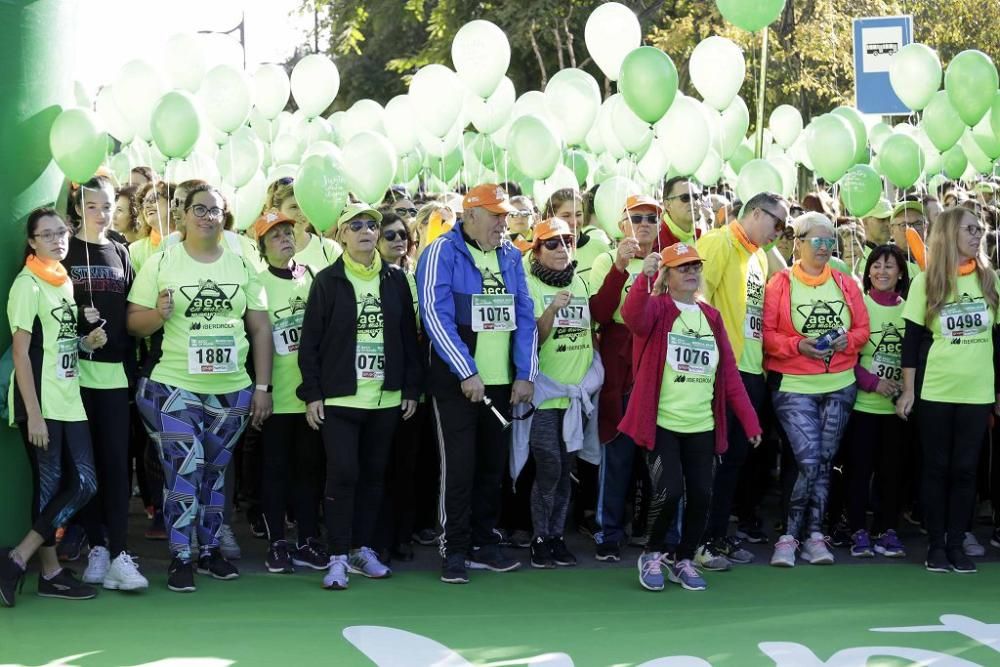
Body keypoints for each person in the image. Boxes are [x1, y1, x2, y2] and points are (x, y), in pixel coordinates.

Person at [127, 184, 274, 593]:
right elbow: (133, 323)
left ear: (225, 216)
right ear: (183, 215)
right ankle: (180, 556)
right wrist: (158, 314)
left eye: (215, 210)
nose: (207, 217)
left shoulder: (243, 265)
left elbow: (261, 327)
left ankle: (208, 550)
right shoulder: (163, 262)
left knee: (214, 472)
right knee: (184, 467)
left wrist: (262, 386)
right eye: (199, 209)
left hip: (232, 390)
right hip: (174, 387)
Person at [619, 242, 761, 592]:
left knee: (702, 495)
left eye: (695, 266)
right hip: (662, 422)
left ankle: (683, 558)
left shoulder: (711, 317)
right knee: (669, 492)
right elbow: (632, 316)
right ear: (667, 275)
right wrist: (643, 278)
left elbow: (728, 373)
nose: (691, 272)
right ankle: (652, 554)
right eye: (682, 267)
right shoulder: (658, 309)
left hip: (703, 426)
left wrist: (751, 421)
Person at [416, 183, 537, 585]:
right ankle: (455, 547)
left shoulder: (511, 256)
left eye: (505, 215)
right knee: (459, 466)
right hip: (457, 383)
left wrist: (525, 374)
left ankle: (485, 542)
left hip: (500, 382)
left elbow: (524, 314)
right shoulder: (440, 252)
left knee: (491, 466)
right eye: (496, 215)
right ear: (471, 216)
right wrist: (465, 370)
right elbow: (435, 316)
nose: (504, 223)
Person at [296, 203, 421, 590]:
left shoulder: (397, 280)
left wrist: (412, 387)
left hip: (385, 398)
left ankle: (361, 548)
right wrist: (312, 392)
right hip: (340, 398)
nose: (367, 231)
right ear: (343, 235)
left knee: (373, 477)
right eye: (357, 226)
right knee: (343, 475)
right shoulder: (328, 281)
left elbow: (408, 338)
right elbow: (310, 341)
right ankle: (336, 555)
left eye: (373, 225)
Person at [1, 208, 106, 607]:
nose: (57, 240)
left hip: (69, 397)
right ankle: (50, 573)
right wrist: (34, 412)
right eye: (47, 235)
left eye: (61, 232)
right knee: (49, 490)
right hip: (42, 401)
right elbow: (22, 353)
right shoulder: (27, 285)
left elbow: (58, 346)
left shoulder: (64, 282)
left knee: (84, 484)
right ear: (32, 242)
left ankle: (18, 558)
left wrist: (84, 344)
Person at [897, 207, 1000, 574]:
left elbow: (998, 340)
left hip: (977, 392)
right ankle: (936, 545)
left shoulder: (991, 280)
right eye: (971, 229)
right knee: (937, 468)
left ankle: (957, 545)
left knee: (966, 471)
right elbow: (910, 342)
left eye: (981, 229)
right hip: (937, 390)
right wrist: (908, 391)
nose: (978, 235)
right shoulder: (925, 282)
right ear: (950, 233)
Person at [764, 212, 870, 568]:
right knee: (808, 461)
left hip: (840, 385)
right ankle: (788, 537)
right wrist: (799, 346)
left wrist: (845, 341)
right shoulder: (780, 283)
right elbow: (768, 335)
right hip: (794, 386)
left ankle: (814, 535)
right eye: (817, 241)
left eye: (830, 242)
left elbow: (863, 331)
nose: (824, 248)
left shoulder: (845, 283)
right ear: (800, 243)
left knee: (824, 463)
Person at [694, 192, 788, 570]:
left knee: (735, 459)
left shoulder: (760, 256)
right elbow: (696, 300)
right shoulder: (718, 242)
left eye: (784, 226)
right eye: (775, 223)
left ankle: (717, 535)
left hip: (751, 370)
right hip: (720, 369)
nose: (778, 232)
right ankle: (700, 541)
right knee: (715, 459)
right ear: (752, 213)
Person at [63, 176, 147, 591]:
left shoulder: (120, 250)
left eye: (108, 205)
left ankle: (118, 553)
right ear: (79, 208)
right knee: (86, 467)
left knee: (117, 465)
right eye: (93, 206)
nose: (101, 213)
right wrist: (81, 335)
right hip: (73, 378)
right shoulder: (64, 249)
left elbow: (132, 311)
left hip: (115, 375)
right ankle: (96, 545)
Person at [251, 210, 329, 574]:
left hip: (309, 396)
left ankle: (308, 539)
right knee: (276, 472)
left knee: (310, 471)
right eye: (275, 235)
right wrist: (261, 389)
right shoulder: (258, 281)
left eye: (288, 232)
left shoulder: (311, 277)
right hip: (276, 397)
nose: (284, 239)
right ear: (263, 246)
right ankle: (277, 542)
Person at [521, 218, 600, 569]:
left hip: (575, 396)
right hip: (543, 394)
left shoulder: (580, 281)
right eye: (551, 243)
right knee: (549, 464)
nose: (562, 248)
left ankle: (555, 537)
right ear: (536, 250)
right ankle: (539, 537)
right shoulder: (528, 284)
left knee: (566, 468)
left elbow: (589, 334)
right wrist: (552, 309)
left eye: (568, 241)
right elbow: (530, 340)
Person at [588, 194, 662, 562]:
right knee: (615, 445)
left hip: (656, 353)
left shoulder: (670, 260)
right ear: (621, 225)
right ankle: (608, 530)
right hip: (619, 352)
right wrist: (621, 266)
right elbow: (600, 312)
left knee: (657, 450)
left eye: (651, 217)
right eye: (636, 218)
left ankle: (652, 530)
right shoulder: (606, 258)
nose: (644, 224)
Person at [842, 244, 910, 559]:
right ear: (868, 271)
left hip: (897, 409)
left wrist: (902, 389)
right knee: (858, 471)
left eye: (890, 266)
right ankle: (857, 529)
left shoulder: (910, 310)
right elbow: (847, 356)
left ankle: (886, 529)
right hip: (863, 407)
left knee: (892, 472)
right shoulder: (858, 306)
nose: (882, 271)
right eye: (876, 265)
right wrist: (873, 383)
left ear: (900, 274)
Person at [263, 177, 343, 268]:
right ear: (276, 212)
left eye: (304, 206)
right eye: (294, 207)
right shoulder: (264, 255)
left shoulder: (329, 249)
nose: (301, 213)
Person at [545, 189, 612, 287]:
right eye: (566, 215)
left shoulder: (601, 248)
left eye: (578, 214)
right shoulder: (539, 253)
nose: (574, 221)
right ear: (550, 217)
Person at [128, 181, 176, 273]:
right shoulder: (135, 250)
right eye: (143, 203)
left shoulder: (192, 242)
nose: (146, 206)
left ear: (172, 202)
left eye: (153, 199)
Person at [659, 177, 704, 249]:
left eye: (696, 197)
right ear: (668, 205)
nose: (693, 202)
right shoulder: (656, 241)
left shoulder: (701, 237)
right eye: (685, 197)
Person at [889, 201, 927, 277]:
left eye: (918, 223)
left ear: (926, 227)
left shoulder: (936, 256)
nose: (912, 229)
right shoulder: (886, 260)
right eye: (904, 225)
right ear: (892, 230)